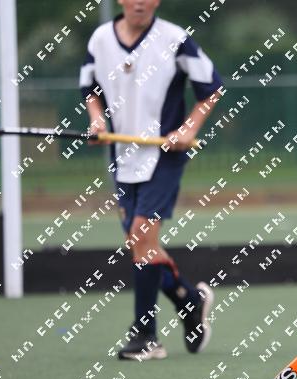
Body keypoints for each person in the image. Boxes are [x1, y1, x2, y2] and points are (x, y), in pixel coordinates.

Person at [79, 0, 223, 360]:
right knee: (140, 245)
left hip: (164, 157)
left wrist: (188, 129)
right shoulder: (100, 40)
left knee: (141, 236)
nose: (140, 2)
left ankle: (145, 336)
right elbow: (90, 88)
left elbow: (211, 87)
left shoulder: (175, 39)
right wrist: (96, 120)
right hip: (122, 157)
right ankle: (189, 300)